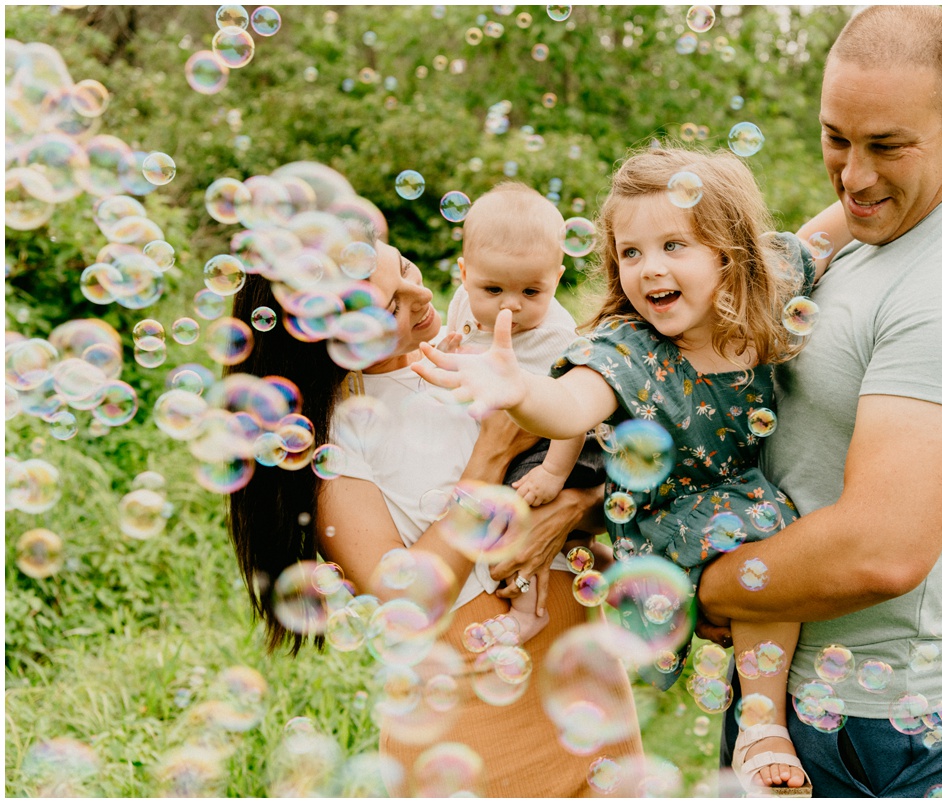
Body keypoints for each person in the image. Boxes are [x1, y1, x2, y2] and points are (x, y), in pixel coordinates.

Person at [695, 6, 942, 797]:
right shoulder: (874, 222)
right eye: (836, 137)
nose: (853, 175)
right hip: (786, 679)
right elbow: (767, 280)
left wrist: (704, 585)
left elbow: (879, 548)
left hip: (880, 724)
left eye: (887, 145)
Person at [415, 147, 848, 793]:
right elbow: (567, 406)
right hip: (666, 516)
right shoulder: (631, 348)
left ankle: (760, 721)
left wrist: (887, 189)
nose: (650, 269)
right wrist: (517, 388)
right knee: (764, 532)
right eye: (631, 252)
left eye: (674, 244)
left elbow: (825, 231)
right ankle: (764, 722)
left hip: (745, 501)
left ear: (727, 253)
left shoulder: (767, 291)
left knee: (768, 540)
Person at [226, 242, 642, 796]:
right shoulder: (340, 434)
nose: (422, 295)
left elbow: (582, 483)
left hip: (581, 677)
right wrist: (489, 455)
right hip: (467, 704)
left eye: (404, 267)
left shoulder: (473, 353)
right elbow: (404, 599)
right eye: (390, 306)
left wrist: (570, 509)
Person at [447, 182, 608, 635]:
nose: (510, 306)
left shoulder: (556, 339)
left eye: (531, 292)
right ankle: (600, 559)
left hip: (567, 443)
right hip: (529, 428)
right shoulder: (464, 303)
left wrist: (553, 474)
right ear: (464, 275)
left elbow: (573, 417)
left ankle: (526, 612)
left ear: (556, 279)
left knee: (522, 511)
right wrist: (451, 345)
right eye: (492, 288)